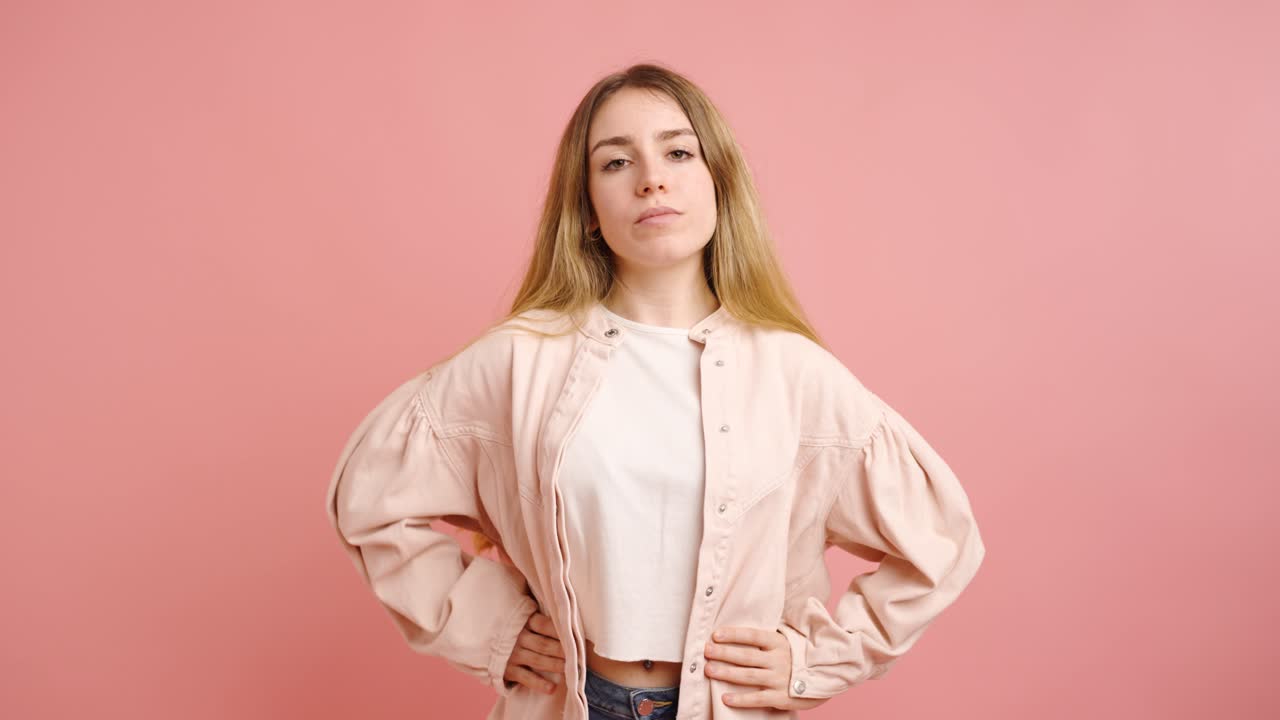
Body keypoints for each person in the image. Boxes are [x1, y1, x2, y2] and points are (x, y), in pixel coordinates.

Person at [325, 63, 986, 720]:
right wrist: (488, 627)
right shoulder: (518, 360)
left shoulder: (793, 373)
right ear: (585, 207)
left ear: (719, 182)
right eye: (616, 163)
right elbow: (371, 500)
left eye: (677, 151)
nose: (652, 178)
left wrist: (815, 660)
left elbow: (940, 541)